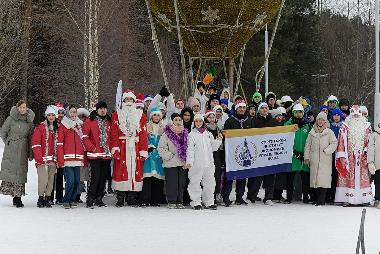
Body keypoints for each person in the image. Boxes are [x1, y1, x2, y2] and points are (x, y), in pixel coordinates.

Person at [111, 89, 148, 207]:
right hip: (122, 146)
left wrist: (143, 150)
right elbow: (114, 133)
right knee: (121, 171)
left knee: (134, 171)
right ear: (123, 101)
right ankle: (120, 197)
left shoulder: (140, 115)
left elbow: (143, 134)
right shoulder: (117, 114)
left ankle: (132, 197)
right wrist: (115, 148)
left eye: (130, 100)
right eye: (126, 99)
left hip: (135, 146)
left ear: (134, 101)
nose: (128, 102)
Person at [335, 105, 372, 206]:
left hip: (362, 157)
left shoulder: (366, 126)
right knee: (348, 176)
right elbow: (341, 141)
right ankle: (348, 199)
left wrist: (366, 151)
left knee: (363, 177)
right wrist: (343, 156)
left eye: (357, 116)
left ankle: (363, 199)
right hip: (349, 157)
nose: (356, 118)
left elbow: (369, 140)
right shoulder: (345, 126)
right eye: (354, 116)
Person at [0, 100, 35, 208]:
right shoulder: (11, 119)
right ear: (17, 108)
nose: (23, 109)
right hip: (11, 150)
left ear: (27, 108)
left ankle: (18, 197)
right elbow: (3, 133)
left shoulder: (29, 121)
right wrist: (9, 143)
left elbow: (31, 138)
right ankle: (13, 196)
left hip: (23, 149)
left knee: (20, 172)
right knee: (11, 171)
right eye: (21, 107)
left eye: (25, 107)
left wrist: (30, 152)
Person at [185, 113, 222, 210]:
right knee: (195, 182)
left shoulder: (208, 134)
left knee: (210, 182)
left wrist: (218, 141)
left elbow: (213, 148)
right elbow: (190, 149)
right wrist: (189, 161)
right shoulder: (191, 135)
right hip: (196, 163)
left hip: (208, 163)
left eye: (200, 121)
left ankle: (209, 201)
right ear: (194, 122)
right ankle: (196, 201)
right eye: (196, 121)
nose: (198, 123)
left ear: (203, 122)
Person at [222, 101, 255, 206]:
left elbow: (254, 135)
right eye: (240, 107)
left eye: (244, 107)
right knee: (230, 176)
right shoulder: (230, 121)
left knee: (242, 175)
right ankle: (226, 197)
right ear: (236, 109)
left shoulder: (249, 120)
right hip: (232, 153)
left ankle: (239, 197)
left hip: (245, 152)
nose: (242, 109)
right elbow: (226, 137)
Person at [247, 103, 277, 206]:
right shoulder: (254, 121)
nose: (264, 110)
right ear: (259, 110)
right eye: (262, 108)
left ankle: (268, 197)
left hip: (270, 153)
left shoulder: (273, 121)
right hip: (258, 153)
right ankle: (251, 196)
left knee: (270, 176)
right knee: (256, 176)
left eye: (266, 108)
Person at [304, 112, 337, 206]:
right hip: (314, 160)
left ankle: (321, 200)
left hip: (325, 160)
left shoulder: (329, 132)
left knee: (323, 181)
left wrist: (327, 151)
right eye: (319, 119)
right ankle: (316, 199)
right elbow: (307, 146)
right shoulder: (312, 132)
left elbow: (334, 143)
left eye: (322, 120)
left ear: (325, 121)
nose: (320, 121)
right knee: (315, 180)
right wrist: (306, 157)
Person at [83, 101, 112, 208]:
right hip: (94, 155)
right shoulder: (90, 120)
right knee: (95, 177)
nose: (103, 110)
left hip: (106, 155)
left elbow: (112, 136)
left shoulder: (109, 121)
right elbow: (85, 137)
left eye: (104, 108)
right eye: (100, 108)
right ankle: (90, 198)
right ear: (97, 109)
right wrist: (92, 148)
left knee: (103, 178)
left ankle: (99, 197)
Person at [158, 113, 188, 209]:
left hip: (182, 162)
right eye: (176, 120)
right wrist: (170, 156)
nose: (178, 122)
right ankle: (171, 201)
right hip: (171, 162)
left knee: (181, 182)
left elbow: (189, 147)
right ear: (172, 121)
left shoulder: (185, 133)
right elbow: (161, 148)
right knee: (172, 183)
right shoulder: (167, 133)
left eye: (180, 120)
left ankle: (180, 201)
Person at [57, 105, 85, 209]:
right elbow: (59, 144)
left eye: (75, 112)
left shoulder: (79, 125)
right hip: (67, 159)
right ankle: (66, 199)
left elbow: (82, 142)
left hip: (77, 158)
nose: (73, 114)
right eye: (72, 112)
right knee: (70, 181)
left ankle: (73, 199)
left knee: (77, 181)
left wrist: (82, 157)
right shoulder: (63, 126)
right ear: (68, 113)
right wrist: (61, 159)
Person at [32, 105, 58, 208]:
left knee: (51, 180)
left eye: (53, 115)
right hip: (42, 159)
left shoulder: (56, 128)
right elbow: (36, 144)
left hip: (53, 159)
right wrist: (39, 158)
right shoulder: (40, 127)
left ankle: (47, 198)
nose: (51, 117)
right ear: (46, 116)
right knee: (43, 179)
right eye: (49, 115)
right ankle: (40, 198)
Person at [284, 103, 312, 204]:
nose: (298, 114)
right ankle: (289, 198)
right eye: (296, 112)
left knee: (305, 179)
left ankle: (305, 198)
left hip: (304, 155)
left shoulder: (307, 125)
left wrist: (307, 153)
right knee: (290, 179)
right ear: (293, 113)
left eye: (300, 112)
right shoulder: (288, 124)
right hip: (292, 155)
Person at [141, 107, 165, 207]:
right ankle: (145, 199)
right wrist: (148, 146)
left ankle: (155, 200)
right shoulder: (146, 126)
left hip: (159, 155)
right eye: (154, 115)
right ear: (151, 116)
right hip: (149, 155)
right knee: (147, 177)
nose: (156, 117)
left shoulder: (164, 128)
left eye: (158, 115)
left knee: (158, 178)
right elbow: (143, 138)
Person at [204, 110, 223, 204]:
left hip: (216, 154)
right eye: (209, 117)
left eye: (213, 117)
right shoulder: (204, 129)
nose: (211, 119)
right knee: (208, 175)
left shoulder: (218, 128)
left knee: (217, 175)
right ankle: (207, 195)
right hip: (206, 154)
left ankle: (217, 193)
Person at [327, 107, 345, 203]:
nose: (336, 117)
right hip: (331, 154)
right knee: (331, 175)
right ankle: (330, 195)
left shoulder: (344, 126)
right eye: (335, 115)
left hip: (340, 154)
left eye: (338, 115)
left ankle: (338, 196)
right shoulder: (330, 126)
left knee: (339, 176)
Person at [51, 102, 65, 205]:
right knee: (52, 176)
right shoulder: (51, 124)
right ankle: (50, 196)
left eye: (62, 113)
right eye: (58, 112)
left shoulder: (65, 123)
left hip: (61, 153)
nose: (60, 115)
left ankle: (59, 197)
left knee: (60, 175)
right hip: (52, 153)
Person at [367, 118, 380, 209]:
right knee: (378, 182)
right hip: (377, 163)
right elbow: (370, 149)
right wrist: (370, 162)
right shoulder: (374, 135)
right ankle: (377, 199)